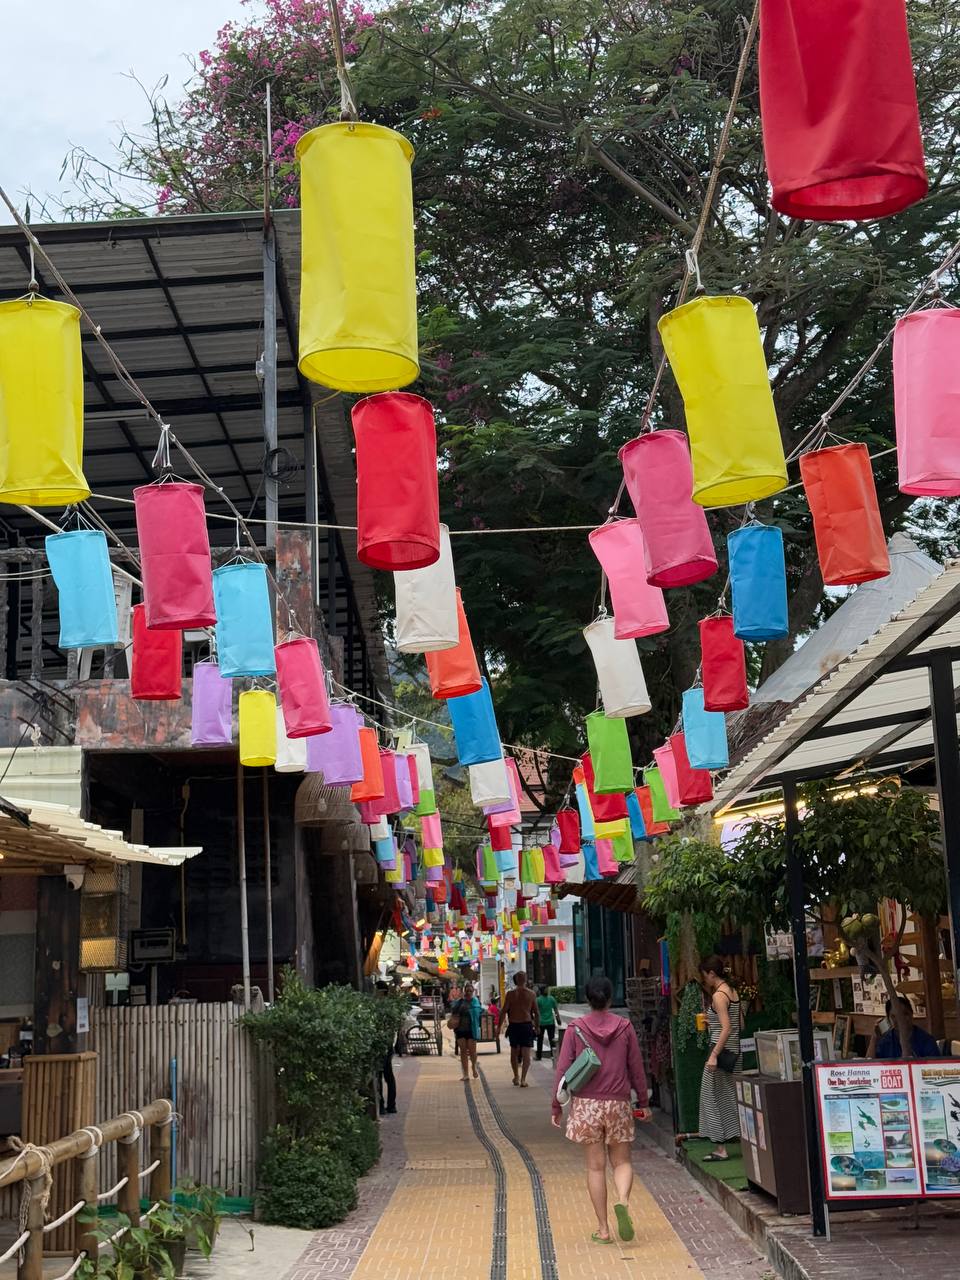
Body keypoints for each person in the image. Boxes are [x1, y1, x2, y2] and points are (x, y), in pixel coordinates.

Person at [551, 974, 651, 1245]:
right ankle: (623, 1201)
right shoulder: (625, 1027)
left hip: (586, 1105)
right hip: (618, 1103)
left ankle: (604, 1229)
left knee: (595, 1168)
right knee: (623, 1162)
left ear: (587, 999)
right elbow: (637, 1069)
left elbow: (562, 1071)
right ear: (610, 998)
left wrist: (556, 1106)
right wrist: (643, 1102)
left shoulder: (575, 1029)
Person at [697, 956, 741, 1161]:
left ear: (712, 974)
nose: (704, 980)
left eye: (705, 975)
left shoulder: (718, 996)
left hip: (721, 1053)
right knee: (731, 1096)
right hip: (734, 1051)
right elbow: (737, 1023)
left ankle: (720, 1148)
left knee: (710, 1097)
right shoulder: (732, 991)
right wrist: (712, 1021)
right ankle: (741, 1137)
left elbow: (727, 1027)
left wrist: (714, 1055)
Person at [502, 970, 539, 1086]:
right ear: (525, 979)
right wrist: (537, 1026)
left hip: (515, 1025)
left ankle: (517, 1077)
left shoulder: (510, 994)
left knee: (514, 1052)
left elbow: (503, 1011)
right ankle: (522, 1079)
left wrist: (499, 1027)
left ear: (516, 980)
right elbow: (536, 1013)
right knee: (525, 1053)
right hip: (526, 1025)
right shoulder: (531, 994)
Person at [872, 996, 941, 1059]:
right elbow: (869, 1063)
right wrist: (874, 1038)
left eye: (905, 1014)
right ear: (888, 1019)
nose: (900, 1019)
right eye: (894, 1016)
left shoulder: (926, 1041)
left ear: (912, 1014)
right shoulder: (885, 1041)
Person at [451, 981, 483, 1081]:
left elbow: (480, 1012)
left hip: (471, 1030)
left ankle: (473, 1066)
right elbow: (453, 1012)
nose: (468, 992)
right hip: (460, 1030)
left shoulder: (476, 1002)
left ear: (473, 992)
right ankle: (465, 1074)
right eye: (467, 991)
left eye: (470, 991)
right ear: (464, 991)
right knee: (463, 1051)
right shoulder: (460, 1002)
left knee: (473, 1052)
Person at [375, 981, 397, 1114]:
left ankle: (383, 1105)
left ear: (381, 992)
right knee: (388, 1075)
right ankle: (390, 1105)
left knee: (381, 1075)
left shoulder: (380, 1007)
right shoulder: (390, 1006)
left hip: (383, 1044)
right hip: (388, 1044)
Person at [536, 985, 562, 1060]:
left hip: (541, 1023)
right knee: (551, 1039)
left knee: (540, 1040)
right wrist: (558, 1019)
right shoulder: (551, 999)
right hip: (550, 1022)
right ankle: (553, 1055)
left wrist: (536, 1023)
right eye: (546, 989)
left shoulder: (538, 1000)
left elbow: (536, 1012)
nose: (547, 990)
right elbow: (556, 1010)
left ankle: (539, 1056)